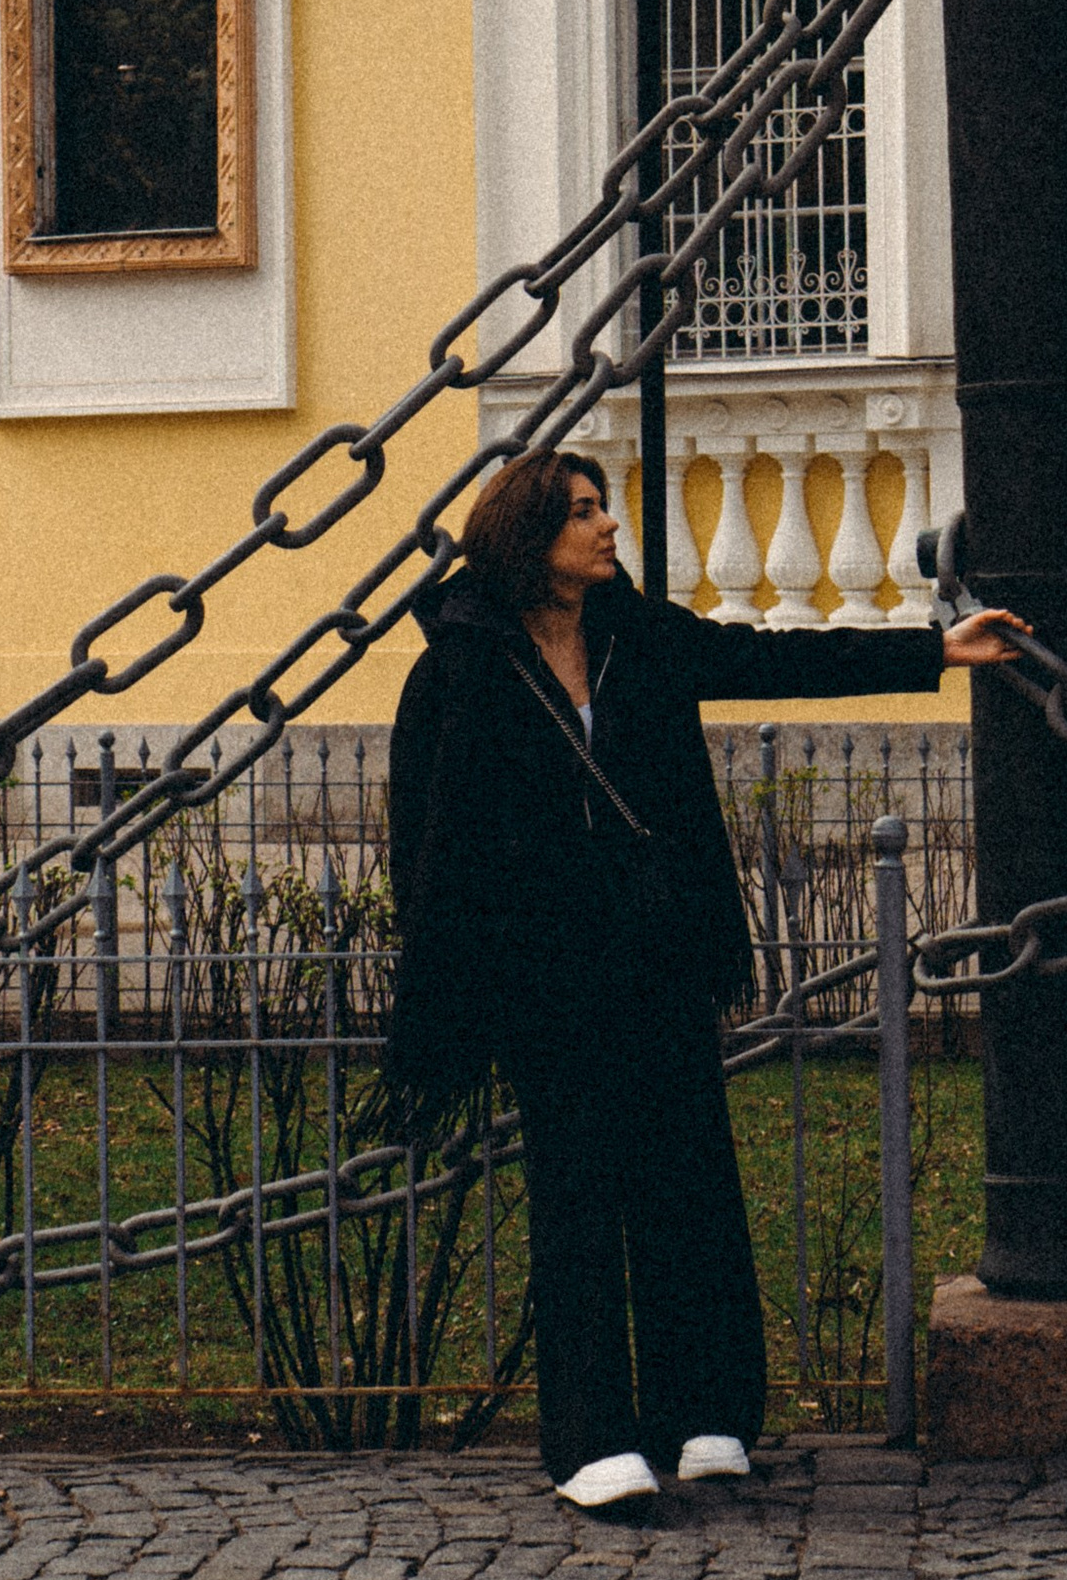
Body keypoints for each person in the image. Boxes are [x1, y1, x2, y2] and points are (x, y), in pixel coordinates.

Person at [386, 444, 1025, 1514]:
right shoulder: (461, 665)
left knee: (690, 1185)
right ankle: (591, 1440)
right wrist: (464, 983)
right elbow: (430, 841)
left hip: (659, 955)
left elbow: (766, 657)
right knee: (580, 1194)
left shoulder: (637, 637)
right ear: (527, 536)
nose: (605, 527)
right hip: (549, 977)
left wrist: (937, 652)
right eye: (581, 513)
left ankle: (706, 1417)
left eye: (601, 509)